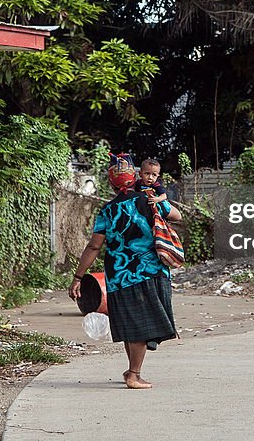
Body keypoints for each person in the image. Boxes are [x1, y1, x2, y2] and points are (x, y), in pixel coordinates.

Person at [68, 153, 182, 389]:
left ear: (112, 182)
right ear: (136, 177)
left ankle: (132, 371)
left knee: (131, 322)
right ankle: (133, 375)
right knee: (143, 323)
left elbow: (94, 246)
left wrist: (78, 277)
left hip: (118, 275)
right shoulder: (149, 200)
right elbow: (176, 216)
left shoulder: (107, 211)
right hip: (148, 271)